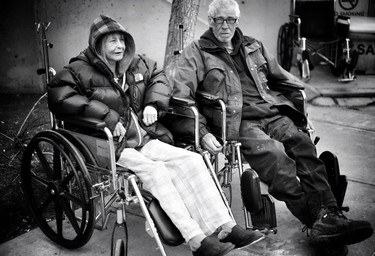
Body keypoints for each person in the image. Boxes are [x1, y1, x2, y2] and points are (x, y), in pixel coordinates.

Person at [47, 14, 264, 256]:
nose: (119, 46)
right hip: (107, 145)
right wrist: (106, 116)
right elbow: (59, 97)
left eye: (122, 40)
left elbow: (160, 79)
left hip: (143, 137)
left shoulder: (138, 63)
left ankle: (225, 227)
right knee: (156, 171)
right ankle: (196, 240)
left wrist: (152, 103)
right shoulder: (77, 69)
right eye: (111, 42)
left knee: (191, 160)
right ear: (97, 44)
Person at [170, 0, 373, 252]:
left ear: (237, 20)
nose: (225, 25)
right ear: (210, 21)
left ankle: (328, 215)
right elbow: (181, 98)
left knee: (303, 145)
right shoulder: (196, 52)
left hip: (272, 111)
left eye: (230, 19)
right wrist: (201, 133)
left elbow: (281, 77)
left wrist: (301, 106)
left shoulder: (253, 45)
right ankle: (316, 221)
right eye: (219, 20)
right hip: (238, 121)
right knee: (276, 157)